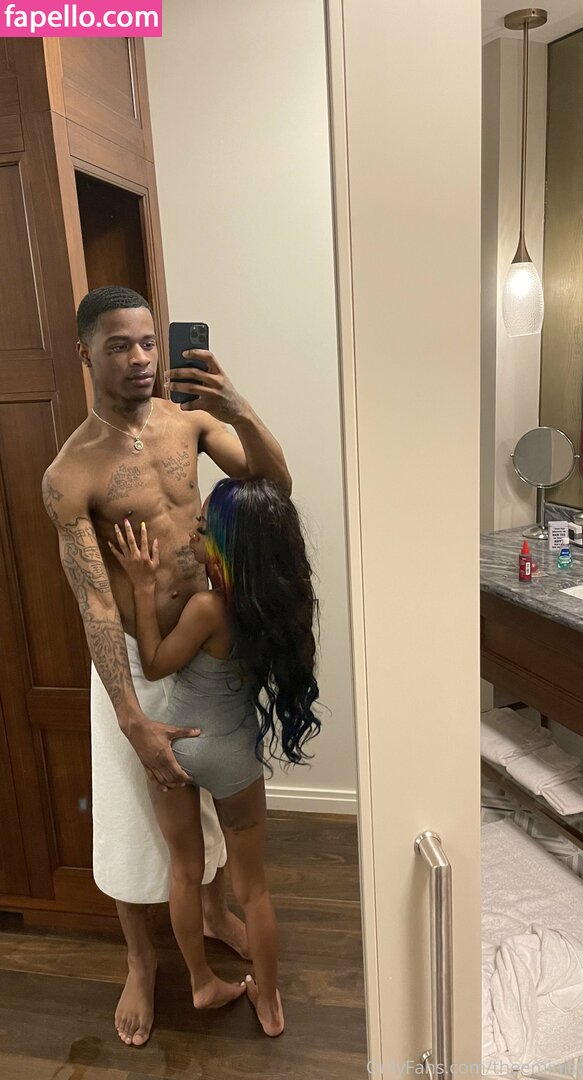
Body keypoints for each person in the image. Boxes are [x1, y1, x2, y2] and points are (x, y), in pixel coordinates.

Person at [42, 286, 291, 1047]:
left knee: (205, 810)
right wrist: (132, 719)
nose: (142, 358)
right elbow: (94, 601)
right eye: (119, 345)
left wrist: (238, 405)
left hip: (202, 642)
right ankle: (141, 962)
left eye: (148, 341)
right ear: (86, 354)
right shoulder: (71, 474)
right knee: (131, 816)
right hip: (131, 657)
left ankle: (213, 915)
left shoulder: (190, 422)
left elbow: (274, 485)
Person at [109, 477, 320, 1036]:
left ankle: (201, 982)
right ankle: (269, 1004)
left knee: (185, 871)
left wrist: (142, 586)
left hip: (179, 746)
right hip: (233, 752)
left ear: (228, 546)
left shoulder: (206, 607)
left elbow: (154, 663)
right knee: (255, 889)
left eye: (203, 530)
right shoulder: (280, 608)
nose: (192, 538)